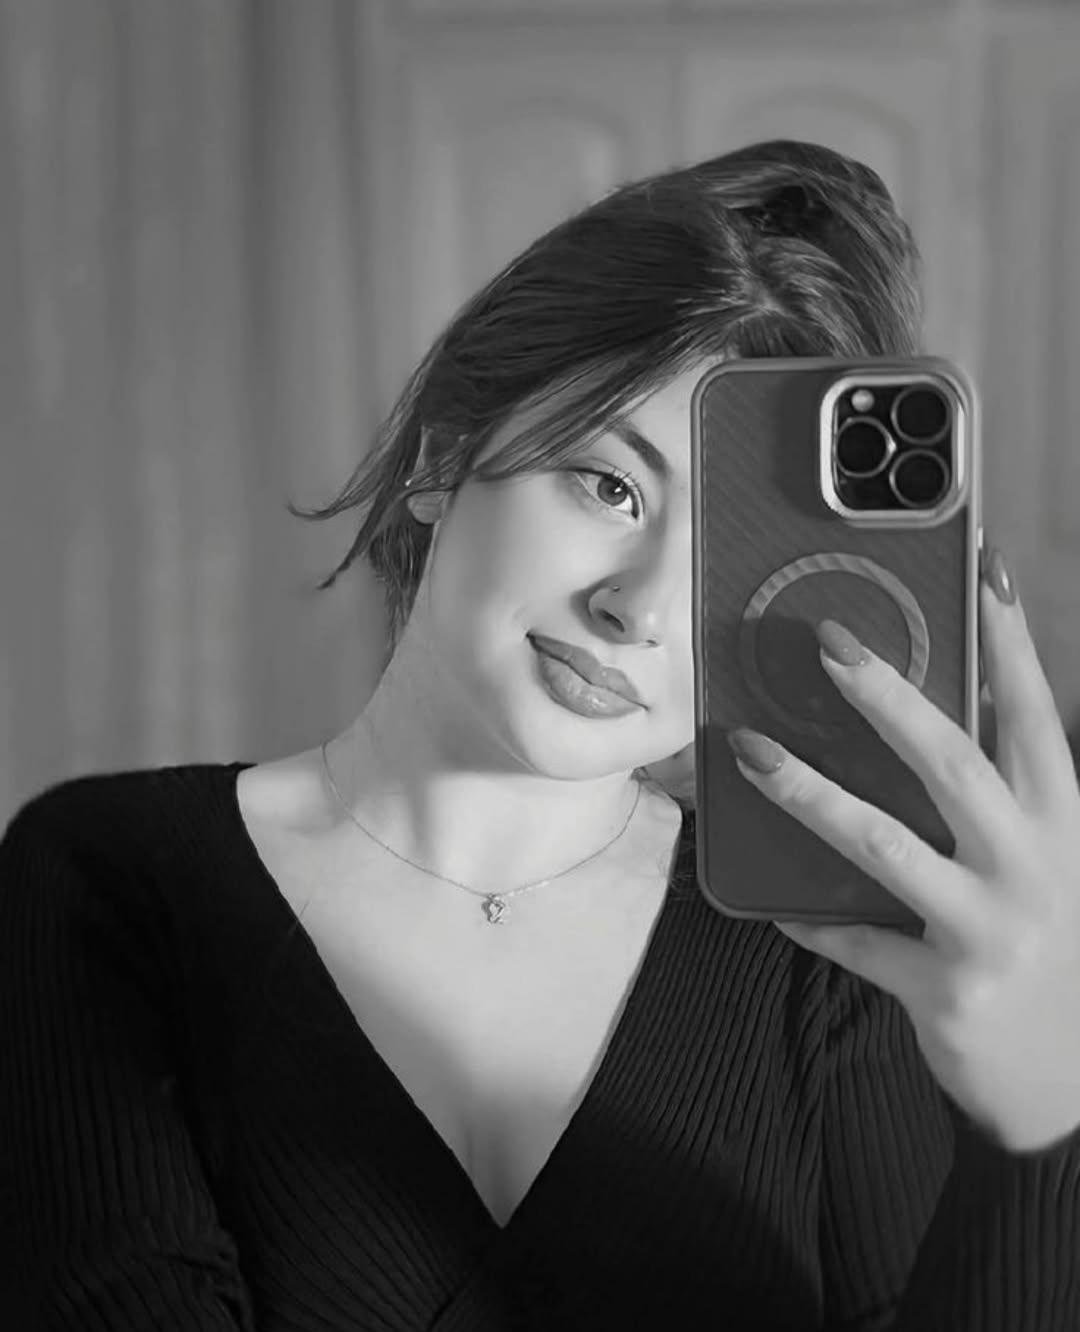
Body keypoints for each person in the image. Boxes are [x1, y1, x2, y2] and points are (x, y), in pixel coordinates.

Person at [1, 138, 1078, 1331]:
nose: (642, 608)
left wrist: (1036, 1132)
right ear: (445, 452)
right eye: (610, 485)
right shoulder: (105, 883)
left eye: (728, 555)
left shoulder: (824, 960)